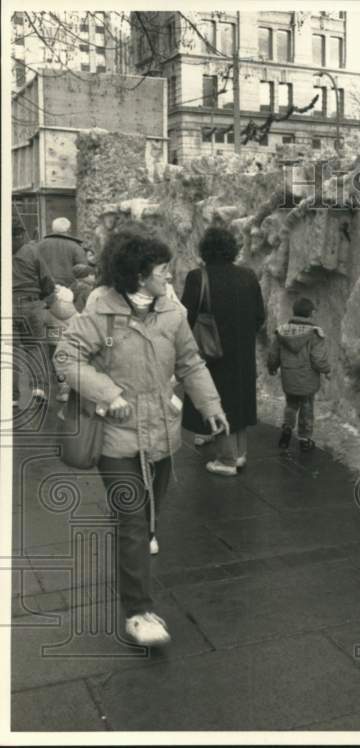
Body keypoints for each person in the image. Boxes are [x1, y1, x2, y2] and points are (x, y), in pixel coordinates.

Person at [54, 225, 229, 647]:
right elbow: (66, 356)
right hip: (116, 439)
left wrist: (212, 406)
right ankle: (138, 612)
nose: (169, 277)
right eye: (161, 270)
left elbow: (190, 362)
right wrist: (107, 392)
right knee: (132, 521)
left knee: (149, 515)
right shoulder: (99, 312)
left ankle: (141, 541)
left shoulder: (173, 312)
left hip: (162, 436)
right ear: (137, 275)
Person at [181, 226, 266, 476]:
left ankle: (227, 460)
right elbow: (260, 315)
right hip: (243, 350)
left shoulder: (198, 277)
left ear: (205, 250)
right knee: (239, 398)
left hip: (212, 351)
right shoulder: (248, 275)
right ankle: (239, 454)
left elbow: (186, 317)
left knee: (218, 398)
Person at [267, 297, 331, 451]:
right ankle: (304, 439)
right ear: (310, 314)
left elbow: (273, 354)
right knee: (307, 407)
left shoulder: (282, 332)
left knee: (291, 404)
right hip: (308, 379)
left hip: (289, 378)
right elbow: (318, 359)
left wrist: (272, 367)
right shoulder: (314, 334)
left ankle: (287, 428)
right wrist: (326, 370)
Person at [11, 223, 55, 404]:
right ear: (20, 234)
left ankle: (12, 396)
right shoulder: (32, 251)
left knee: (11, 350)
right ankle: (38, 389)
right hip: (32, 303)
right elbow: (47, 280)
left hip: (8, 304)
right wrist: (45, 300)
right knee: (35, 347)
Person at [34, 217, 88, 287]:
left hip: (44, 288)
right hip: (68, 290)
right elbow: (83, 271)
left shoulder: (39, 245)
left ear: (53, 229)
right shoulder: (75, 246)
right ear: (69, 230)